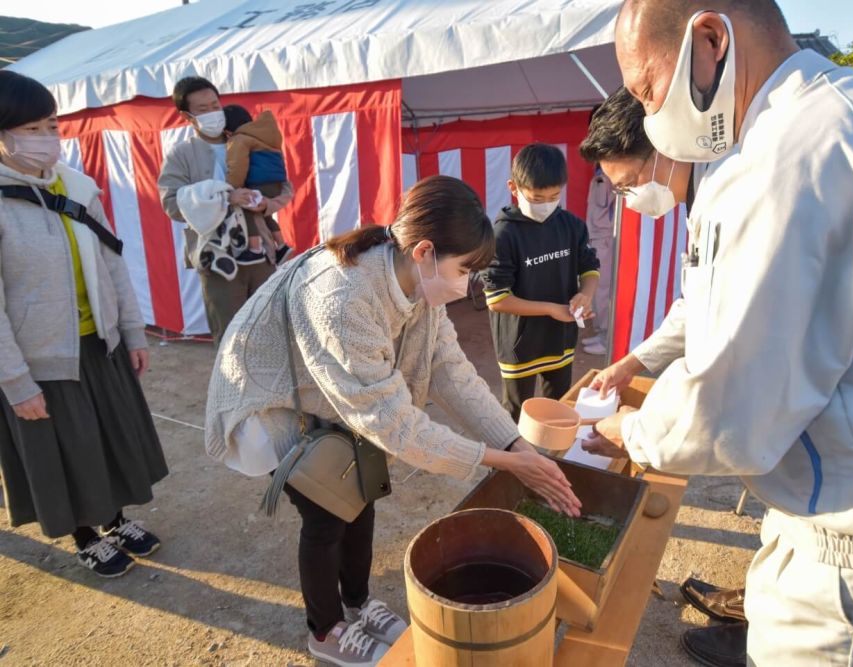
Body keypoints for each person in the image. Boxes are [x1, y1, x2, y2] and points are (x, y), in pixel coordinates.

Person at [586, 1, 853, 664]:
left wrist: (629, 429)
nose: (653, 116)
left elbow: (728, 407)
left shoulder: (792, 158)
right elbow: (714, 303)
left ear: (711, 40)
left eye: (647, 89)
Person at [205, 175, 582, 667]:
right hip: (274, 398)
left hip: (340, 390)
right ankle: (325, 629)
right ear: (424, 250)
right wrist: (501, 462)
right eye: (465, 269)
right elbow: (395, 427)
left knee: (363, 490)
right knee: (326, 512)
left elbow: (453, 374)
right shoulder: (343, 298)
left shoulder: (415, 278)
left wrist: (516, 446)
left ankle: (359, 604)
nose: (468, 285)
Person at [581, 85, 746, 667]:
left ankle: (756, 632)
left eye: (625, 185)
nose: (627, 200)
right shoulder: (704, 201)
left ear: (661, 146)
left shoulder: (737, 199)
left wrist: (635, 428)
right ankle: (754, 610)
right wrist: (633, 362)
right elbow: (692, 306)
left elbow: (721, 353)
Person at [0, 71, 167, 578]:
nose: (46, 137)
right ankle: (84, 534)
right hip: (42, 357)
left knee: (109, 439)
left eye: (50, 124)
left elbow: (112, 261)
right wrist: (15, 382)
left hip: (101, 343)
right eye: (31, 128)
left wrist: (132, 331)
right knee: (66, 451)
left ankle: (115, 519)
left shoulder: (77, 185)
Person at [158, 76, 293, 345]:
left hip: (262, 253)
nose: (212, 113)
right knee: (233, 339)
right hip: (217, 257)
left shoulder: (248, 137)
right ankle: (234, 388)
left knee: (271, 331)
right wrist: (225, 197)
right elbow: (171, 203)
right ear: (187, 116)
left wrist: (268, 204)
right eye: (203, 109)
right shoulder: (182, 154)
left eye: (215, 105)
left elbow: (284, 186)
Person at [482, 143, 601, 421]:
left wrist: (585, 295)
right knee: (515, 413)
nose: (546, 204)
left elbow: (589, 267)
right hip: (518, 343)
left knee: (558, 407)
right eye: (536, 198)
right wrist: (551, 309)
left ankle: (552, 462)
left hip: (560, 338)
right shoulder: (503, 234)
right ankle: (510, 464)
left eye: (554, 196)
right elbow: (497, 300)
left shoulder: (572, 225)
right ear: (514, 187)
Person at [221, 104, 292, 266]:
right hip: (276, 185)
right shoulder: (267, 136)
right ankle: (281, 245)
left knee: (247, 210)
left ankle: (254, 249)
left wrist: (232, 187)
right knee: (266, 215)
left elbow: (237, 166)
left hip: (259, 183)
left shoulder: (239, 139)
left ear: (227, 130)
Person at [580, 106, 615, 357]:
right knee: (598, 287)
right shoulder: (602, 161)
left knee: (603, 288)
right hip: (598, 234)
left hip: (607, 236)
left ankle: (608, 337)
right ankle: (603, 333)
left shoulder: (614, 161)